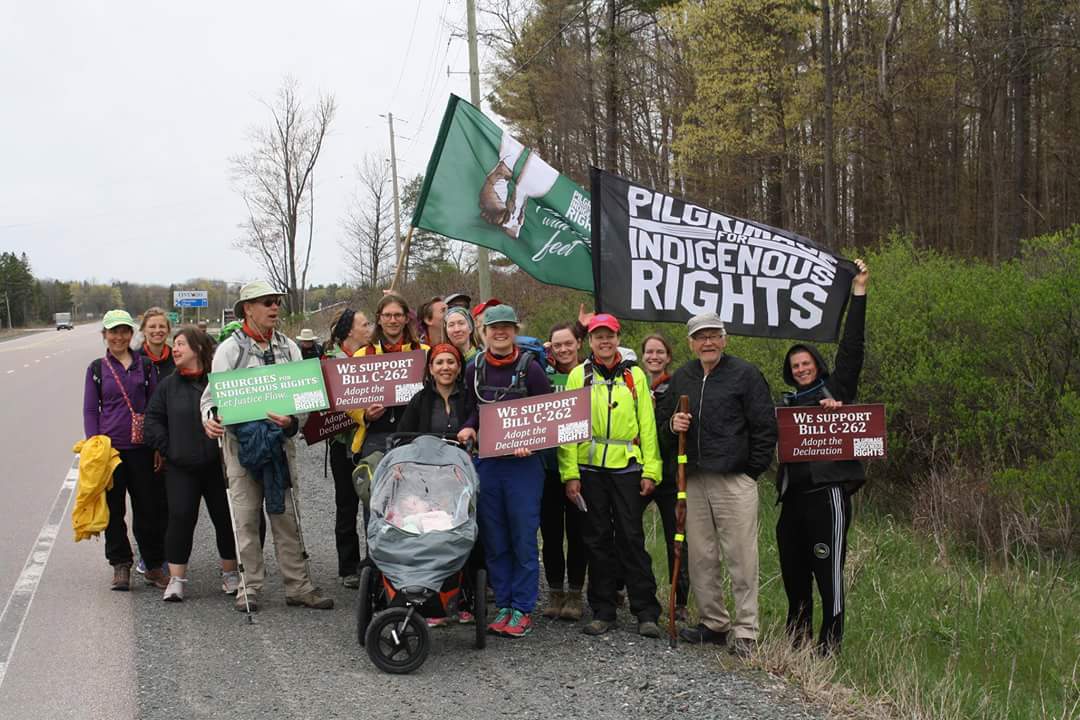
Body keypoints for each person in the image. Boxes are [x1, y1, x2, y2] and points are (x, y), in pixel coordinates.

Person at [200, 280, 333, 612]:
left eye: (276, 302)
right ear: (248, 308)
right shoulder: (230, 350)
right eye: (267, 302)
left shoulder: (289, 347)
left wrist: (293, 423)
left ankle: (298, 586)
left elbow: (303, 397)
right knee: (245, 518)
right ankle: (250, 586)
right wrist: (210, 417)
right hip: (240, 447)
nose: (275, 307)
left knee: (287, 516)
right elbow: (211, 398)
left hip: (279, 447)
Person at [659, 313, 777, 657]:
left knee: (741, 556)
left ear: (724, 339)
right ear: (690, 343)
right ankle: (713, 623)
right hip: (693, 480)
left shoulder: (745, 374)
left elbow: (765, 427)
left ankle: (745, 630)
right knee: (701, 556)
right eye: (700, 337)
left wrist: (750, 471)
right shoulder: (683, 376)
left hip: (733, 480)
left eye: (713, 335)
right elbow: (663, 426)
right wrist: (672, 424)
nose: (707, 342)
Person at [776, 259, 869, 655]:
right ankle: (797, 641)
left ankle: (829, 646)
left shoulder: (836, 391)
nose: (801, 369)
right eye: (795, 365)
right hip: (792, 500)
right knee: (794, 573)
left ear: (817, 365)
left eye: (806, 363)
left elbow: (852, 350)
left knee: (827, 573)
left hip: (828, 496)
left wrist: (859, 292)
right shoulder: (785, 405)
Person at [559, 314, 663, 638]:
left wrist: (652, 469)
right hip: (590, 469)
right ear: (589, 341)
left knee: (631, 538)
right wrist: (569, 473)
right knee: (597, 539)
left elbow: (647, 424)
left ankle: (646, 611)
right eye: (598, 337)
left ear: (618, 338)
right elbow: (567, 426)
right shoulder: (579, 375)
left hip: (628, 467)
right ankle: (603, 610)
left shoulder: (635, 376)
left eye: (610, 336)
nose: (604, 342)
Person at [457, 304, 552, 638]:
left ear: (515, 330)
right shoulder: (474, 368)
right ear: (483, 332)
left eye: (507, 328)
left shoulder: (531, 369)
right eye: (494, 328)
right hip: (488, 463)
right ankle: (505, 605)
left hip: (523, 467)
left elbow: (546, 416)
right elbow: (472, 410)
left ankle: (523, 608)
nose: (500, 333)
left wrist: (533, 441)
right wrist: (468, 428)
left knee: (523, 537)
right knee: (495, 538)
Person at [144, 327, 238, 602]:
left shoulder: (217, 382)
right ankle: (176, 580)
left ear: (197, 348)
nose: (175, 349)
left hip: (217, 466)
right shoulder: (168, 386)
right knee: (180, 519)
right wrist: (169, 448)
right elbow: (152, 421)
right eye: (175, 345)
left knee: (225, 519)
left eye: (181, 344)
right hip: (181, 468)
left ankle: (230, 575)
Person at [82, 309, 167, 591]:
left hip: (142, 449)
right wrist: (94, 445)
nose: (118, 337)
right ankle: (120, 565)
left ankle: (153, 565)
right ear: (104, 335)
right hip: (111, 452)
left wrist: (157, 445)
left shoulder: (144, 365)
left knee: (147, 508)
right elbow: (90, 410)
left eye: (123, 331)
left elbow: (155, 408)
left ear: (131, 334)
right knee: (114, 510)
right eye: (112, 331)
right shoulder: (96, 369)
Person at [539, 322, 588, 621]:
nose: (563, 349)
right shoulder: (541, 373)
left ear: (579, 343)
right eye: (557, 345)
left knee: (579, 533)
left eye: (568, 343)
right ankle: (555, 592)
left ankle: (576, 594)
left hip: (582, 466)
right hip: (547, 466)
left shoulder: (589, 375)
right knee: (552, 532)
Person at [640, 333, 690, 621]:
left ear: (668, 357)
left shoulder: (677, 387)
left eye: (660, 352)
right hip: (643, 472)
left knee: (678, 536)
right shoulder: (633, 385)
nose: (654, 357)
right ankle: (631, 588)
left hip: (671, 475)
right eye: (649, 352)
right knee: (627, 530)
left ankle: (679, 599)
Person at [325, 308, 373, 588]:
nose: (369, 328)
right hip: (341, 442)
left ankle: (375, 563)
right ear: (349, 331)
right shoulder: (332, 361)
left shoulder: (373, 356)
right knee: (346, 504)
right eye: (365, 324)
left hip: (368, 438)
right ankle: (348, 567)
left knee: (374, 503)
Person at [354, 294, 428, 457]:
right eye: (387, 315)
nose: (393, 320)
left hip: (417, 436)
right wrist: (365, 415)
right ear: (379, 319)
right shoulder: (362, 355)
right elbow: (349, 399)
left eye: (398, 315)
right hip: (376, 436)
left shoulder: (424, 352)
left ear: (406, 319)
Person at [137, 307, 176, 379]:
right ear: (143, 330)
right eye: (152, 327)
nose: (157, 330)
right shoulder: (134, 359)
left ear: (168, 330)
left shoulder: (177, 358)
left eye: (162, 326)